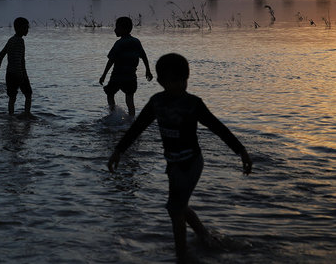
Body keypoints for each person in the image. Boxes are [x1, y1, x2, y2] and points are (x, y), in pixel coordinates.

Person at [107, 53, 253, 262]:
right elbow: (137, 128)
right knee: (179, 206)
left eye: (182, 80)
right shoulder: (156, 102)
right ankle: (205, 237)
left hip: (192, 162)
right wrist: (118, 151)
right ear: (161, 82)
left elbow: (217, 127)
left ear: (187, 78)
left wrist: (241, 151)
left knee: (175, 208)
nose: (179, 85)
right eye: (173, 81)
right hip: (173, 163)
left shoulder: (193, 103)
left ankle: (182, 255)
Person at [99, 16, 153, 117]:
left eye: (117, 28)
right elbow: (144, 56)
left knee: (110, 93)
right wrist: (148, 71)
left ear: (124, 30)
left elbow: (111, 61)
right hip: (131, 77)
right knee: (129, 100)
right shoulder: (136, 42)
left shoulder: (119, 43)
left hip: (117, 76)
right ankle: (131, 119)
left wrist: (103, 75)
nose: (115, 30)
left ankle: (112, 113)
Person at [0, 17, 31, 115]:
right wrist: (22, 75)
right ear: (19, 28)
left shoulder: (11, 40)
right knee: (28, 94)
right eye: (26, 28)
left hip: (10, 74)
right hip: (18, 74)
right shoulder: (19, 41)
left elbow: (1, 54)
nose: (27, 30)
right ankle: (27, 115)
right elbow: (19, 60)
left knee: (12, 98)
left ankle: (11, 117)